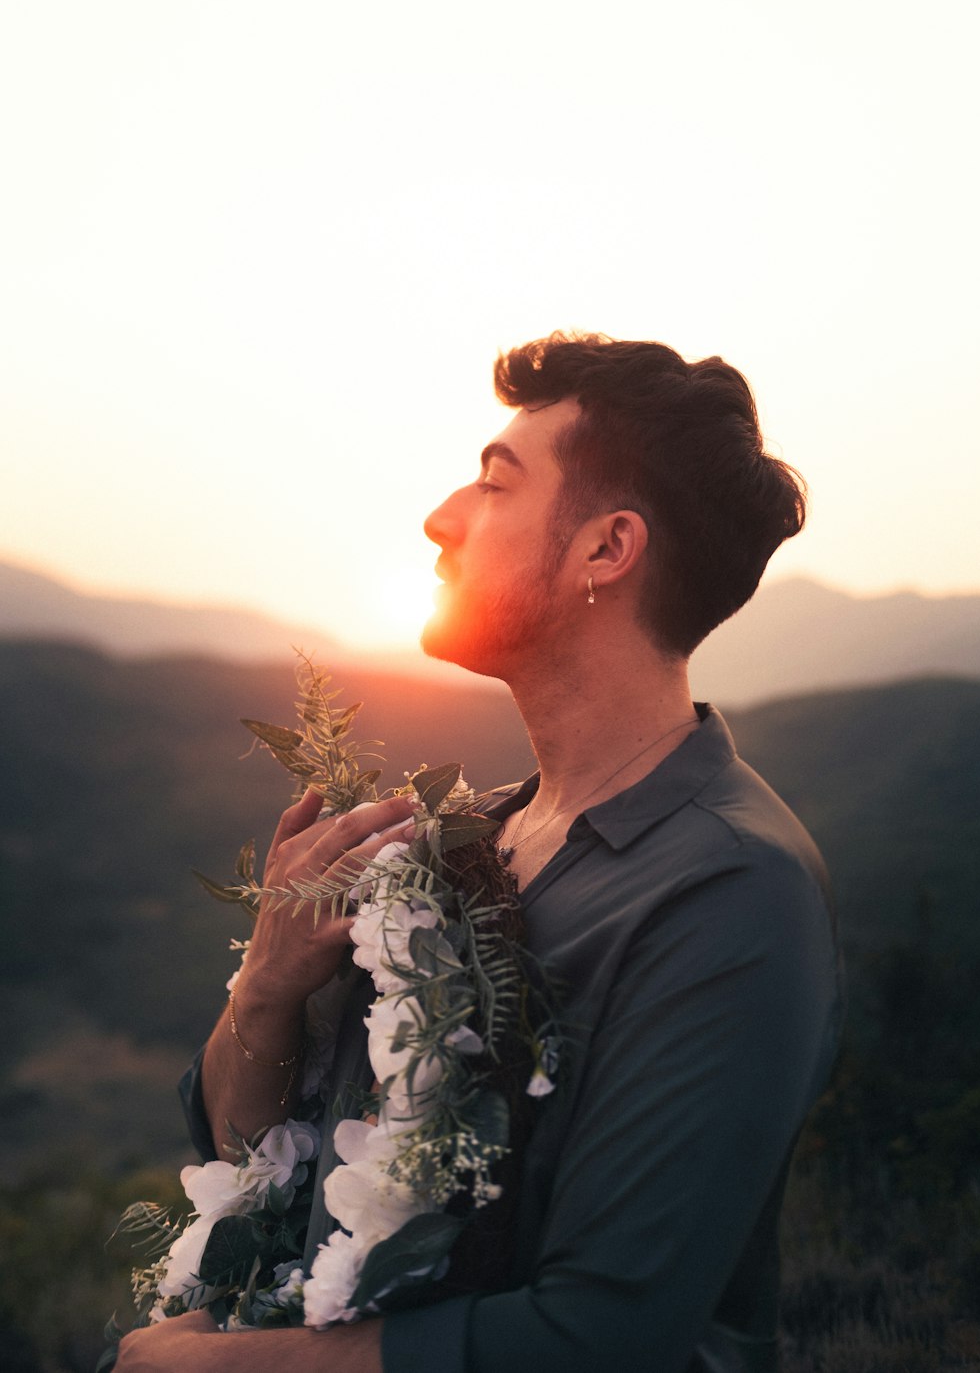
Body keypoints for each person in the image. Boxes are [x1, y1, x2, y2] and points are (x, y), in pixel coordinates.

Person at [118, 333, 844, 1373]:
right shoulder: (466, 844)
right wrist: (267, 990)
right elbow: (249, 1157)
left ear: (607, 550)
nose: (441, 516)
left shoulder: (728, 892)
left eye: (495, 485)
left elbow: (603, 1335)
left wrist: (226, 1367)